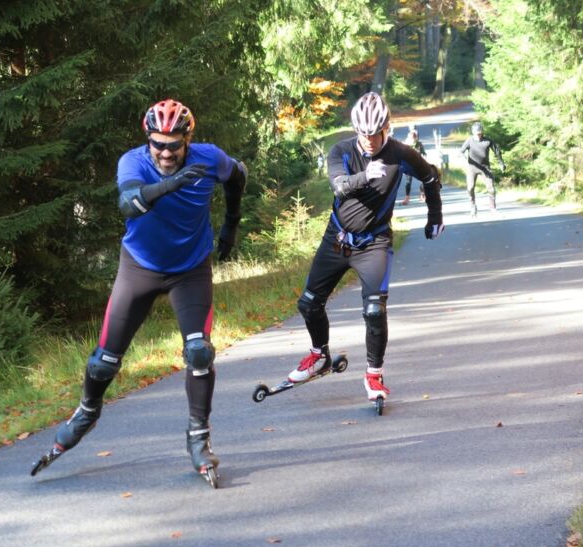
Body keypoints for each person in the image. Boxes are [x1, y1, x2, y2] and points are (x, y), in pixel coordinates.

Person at [31, 99, 247, 488]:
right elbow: (128, 204)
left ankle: (198, 438)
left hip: (190, 270)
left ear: (187, 140)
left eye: (173, 145)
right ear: (148, 140)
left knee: (199, 351)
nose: (165, 153)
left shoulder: (209, 158)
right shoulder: (133, 162)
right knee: (104, 362)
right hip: (140, 267)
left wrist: (231, 223)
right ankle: (87, 411)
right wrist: (171, 184)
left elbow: (238, 176)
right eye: (157, 144)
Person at [287, 92, 444, 407]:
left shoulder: (401, 153)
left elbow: (430, 177)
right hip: (338, 238)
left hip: (375, 242)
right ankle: (319, 355)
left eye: (376, 132)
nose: (370, 140)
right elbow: (339, 186)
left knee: (374, 310)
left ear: (387, 126)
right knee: (308, 304)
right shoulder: (340, 150)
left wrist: (435, 217)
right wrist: (365, 176)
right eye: (364, 133)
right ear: (355, 129)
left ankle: (374, 375)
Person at [460, 121, 505, 218]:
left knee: (491, 189)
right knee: (470, 188)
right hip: (472, 168)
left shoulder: (487, 141)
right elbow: (461, 151)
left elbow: (497, 152)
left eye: (480, 134)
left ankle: (493, 208)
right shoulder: (470, 141)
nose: (479, 136)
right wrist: (464, 156)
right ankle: (473, 207)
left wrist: (501, 163)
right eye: (477, 134)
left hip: (485, 168)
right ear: (473, 133)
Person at [401, 128, 427, 205]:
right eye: (412, 138)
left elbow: (423, 153)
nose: (413, 140)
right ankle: (407, 198)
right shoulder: (406, 145)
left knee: (424, 180)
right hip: (409, 165)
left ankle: (422, 194)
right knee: (408, 181)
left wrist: (424, 157)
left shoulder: (419, 144)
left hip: (418, 164)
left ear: (416, 138)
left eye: (414, 138)